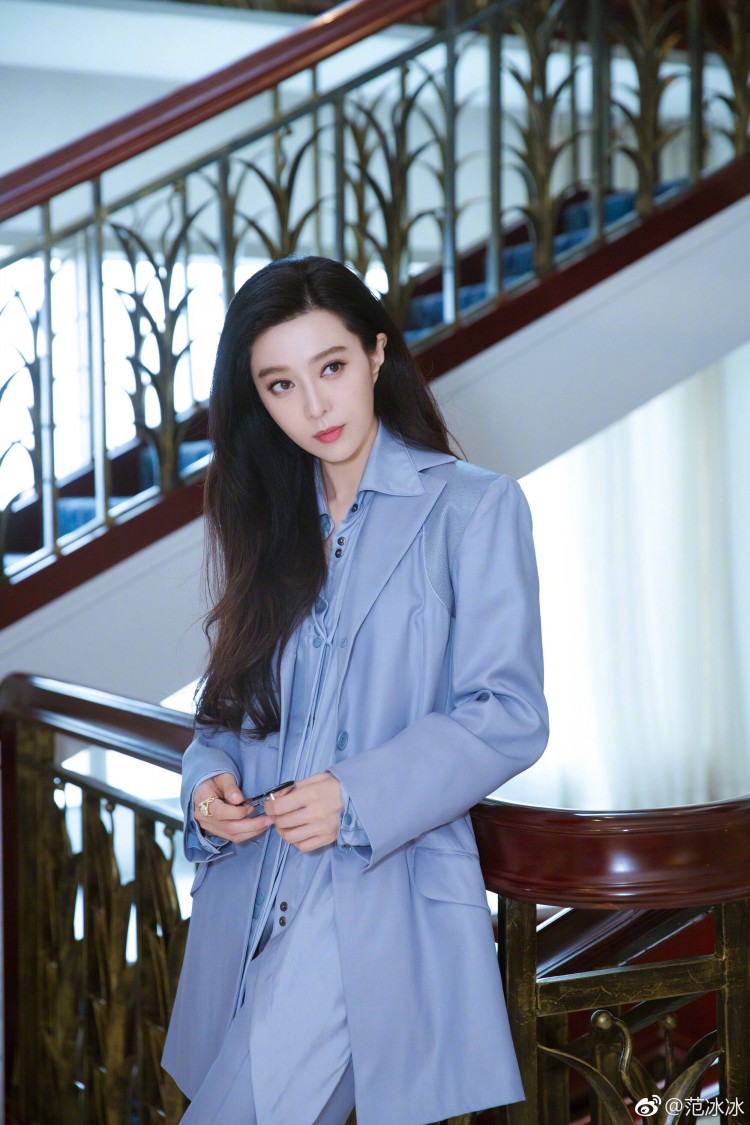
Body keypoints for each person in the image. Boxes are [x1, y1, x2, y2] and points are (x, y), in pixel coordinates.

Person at [161, 255, 549, 1124]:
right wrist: (204, 788)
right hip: (253, 893)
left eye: (330, 366)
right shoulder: (267, 519)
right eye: (281, 384)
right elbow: (225, 714)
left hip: (375, 901)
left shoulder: (474, 509)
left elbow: (509, 711)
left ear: (376, 354)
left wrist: (355, 794)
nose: (314, 405)